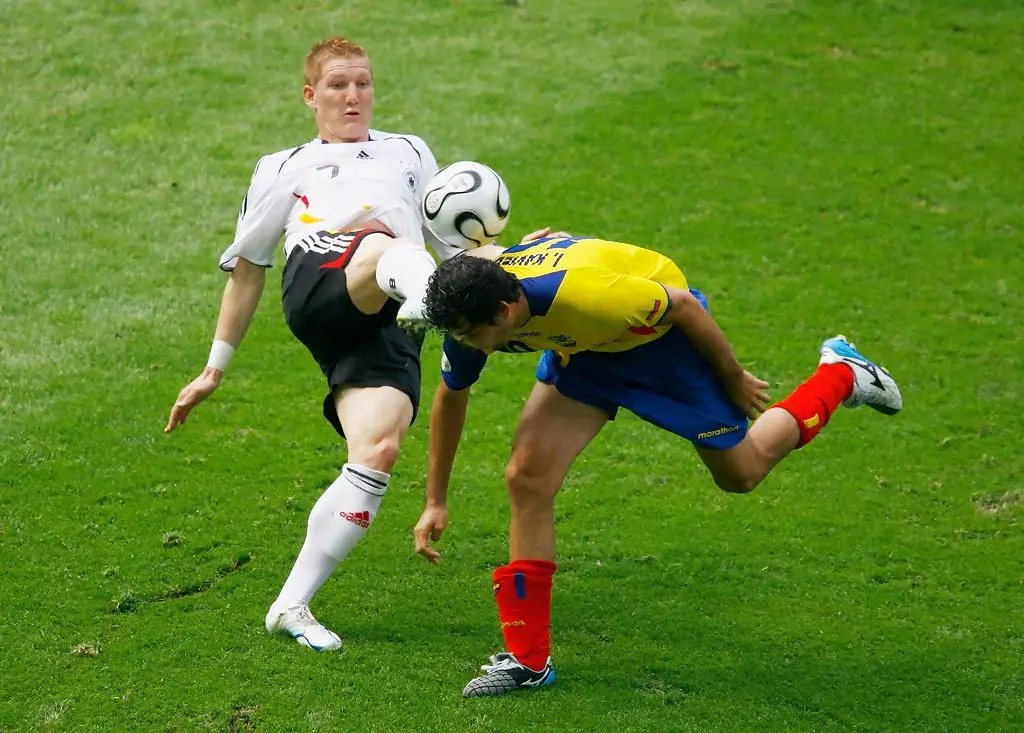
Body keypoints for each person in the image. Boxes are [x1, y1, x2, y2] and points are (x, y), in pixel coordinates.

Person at [413, 232, 903, 695]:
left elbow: (685, 306)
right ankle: (528, 661)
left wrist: (732, 377)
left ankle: (841, 372)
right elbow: (452, 396)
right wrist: (435, 499)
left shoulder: (591, 296)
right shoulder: (470, 314)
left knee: (742, 472)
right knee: (527, 478)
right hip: (583, 353)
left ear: (507, 308)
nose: (468, 343)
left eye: (475, 334)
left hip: (662, 344)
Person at [165, 36, 461, 651]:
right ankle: (431, 301)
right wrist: (214, 369)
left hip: (389, 312)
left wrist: (513, 260)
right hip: (321, 279)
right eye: (337, 85)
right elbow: (248, 268)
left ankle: (291, 605)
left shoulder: (409, 152)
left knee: (377, 449)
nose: (354, 95)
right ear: (311, 96)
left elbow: (455, 240)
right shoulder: (283, 165)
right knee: (382, 242)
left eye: (363, 83)